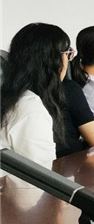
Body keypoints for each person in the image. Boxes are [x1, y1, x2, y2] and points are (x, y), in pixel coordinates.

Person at [1, 23, 69, 168]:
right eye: (67, 53)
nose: (68, 61)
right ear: (52, 61)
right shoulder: (31, 109)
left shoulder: (11, 97)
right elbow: (41, 175)